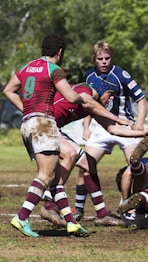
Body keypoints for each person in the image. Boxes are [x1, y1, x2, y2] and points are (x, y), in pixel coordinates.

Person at [3, 33, 91, 237]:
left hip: (27, 124)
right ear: (60, 52)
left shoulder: (27, 67)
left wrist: (26, 109)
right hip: (43, 123)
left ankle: (71, 223)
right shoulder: (54, 70)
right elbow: (70, 96)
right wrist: (82, 98)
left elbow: (8, 90)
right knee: (45, 175)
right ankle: (22, 217)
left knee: (55, 178)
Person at [39, 83, 148, 227]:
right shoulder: (85, 90)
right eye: (109, 95)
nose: (110, 100)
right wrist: (119, 118)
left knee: (88, 163)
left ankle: (102, 215)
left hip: (52, 128)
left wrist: (143, 132)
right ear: (100, 92)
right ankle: (49, 203)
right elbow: (89, 102)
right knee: (71, 155)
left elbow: (113, 129)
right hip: (42, 125)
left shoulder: (93, 106)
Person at [73, 41, 148, 220]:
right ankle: (78, 209)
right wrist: (86, 126)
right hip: (101, 127)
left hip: (123, 126)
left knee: (135, 166)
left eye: (107, 58)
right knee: (84, 165)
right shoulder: (89, 76)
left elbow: (142, 99)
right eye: (100, 59)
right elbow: (89, 106)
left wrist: (139, 122)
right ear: (94, 59)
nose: (104, 62)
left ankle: (129, 207)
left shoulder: (121, 74)